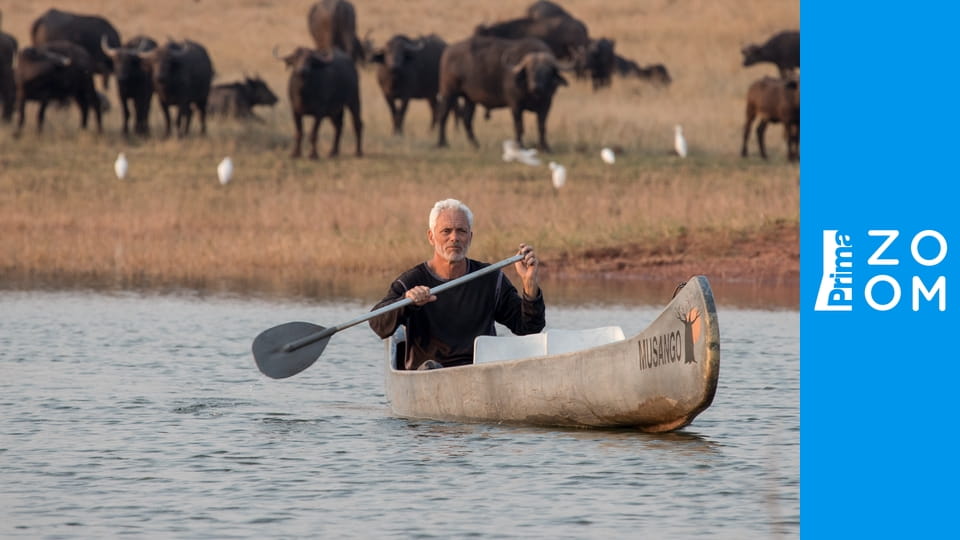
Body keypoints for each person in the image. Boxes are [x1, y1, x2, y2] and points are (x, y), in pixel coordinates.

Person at [369, 198, 545, 370]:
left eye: (461, 231)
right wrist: (406, 302)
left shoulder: (490, 278)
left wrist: (529, 284)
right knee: (431, 368)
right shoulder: (411, 281)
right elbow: (378, 325)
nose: (454, 238)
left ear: (470, 236)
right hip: (429, 375)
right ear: (431, 237)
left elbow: (529, 328)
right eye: (446, 231)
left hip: (478, 372)